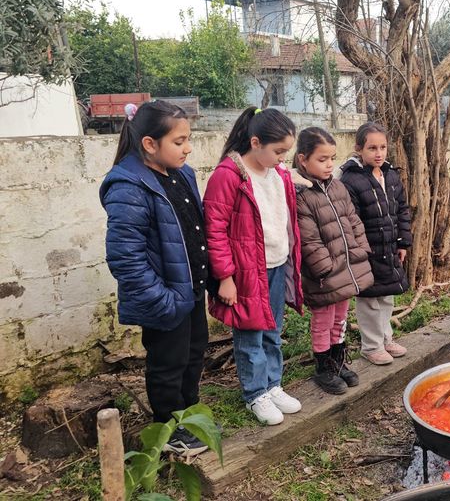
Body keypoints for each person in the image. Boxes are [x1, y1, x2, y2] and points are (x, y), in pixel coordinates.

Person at [100, 100, 210, 456]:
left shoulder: (183, 174)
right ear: (149, 144)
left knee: (193, 355)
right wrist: (162, 301)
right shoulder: (128, 186)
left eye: (188, 139)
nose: (187, 148)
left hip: (191, 288)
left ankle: (188, 418)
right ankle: (168, 428)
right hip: (165, 298)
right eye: (179, 142)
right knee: (168, 364)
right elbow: (125, 258)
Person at [203, 107, 304, 426]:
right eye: (278, 151)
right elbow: (214, 229)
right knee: (250, 333)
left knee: (273, 329)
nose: (282, 158)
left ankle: (273, 384)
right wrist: (225, 277)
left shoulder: (277, 173)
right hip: (246, 272)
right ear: (256, 142)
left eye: (286, 152)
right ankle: (255, 393)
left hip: (276, 265)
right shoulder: (228, 176)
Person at [293, 127, 374, 395]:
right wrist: (326, 269)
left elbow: (353, 221)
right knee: (323, 320)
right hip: (325, 275)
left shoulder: (337, 186)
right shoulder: (301, 195)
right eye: (322, 159)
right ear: (303, 160)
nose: (329, 165)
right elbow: (309, 240)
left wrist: (361, 249)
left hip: (346, 268)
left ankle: (338, 362)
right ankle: (324, 367)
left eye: (332, 158)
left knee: (340, 317)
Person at [339, 122, 412, 365]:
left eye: (382, 147)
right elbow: (351, 220)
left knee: (386, 296)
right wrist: (360, 251)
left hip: (389, 247)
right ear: (359, 148)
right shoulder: (351, 180)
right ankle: (371, 346)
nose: (378, 153)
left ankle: (385, 339)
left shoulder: (390, 175)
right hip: (367, 251)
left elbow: (402, 209)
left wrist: (402, 242)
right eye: (372, 148)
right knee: (369, 299)